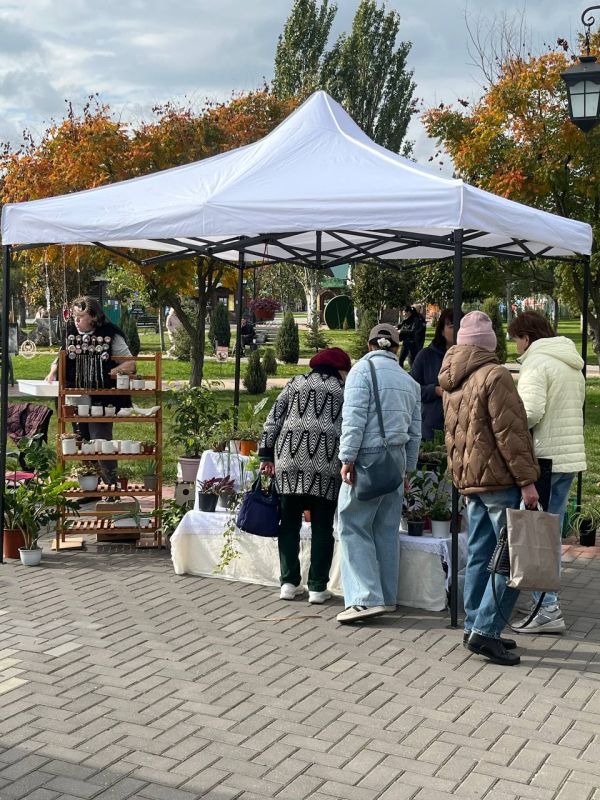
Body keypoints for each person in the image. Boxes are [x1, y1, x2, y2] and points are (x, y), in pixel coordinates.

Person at [439, 310, 540, 666]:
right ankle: (486, 630)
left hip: (470, 482)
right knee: (513, 558)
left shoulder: (451, 377)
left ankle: (476, 626)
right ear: (489, 343)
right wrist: (527, 482)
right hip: (499, 479)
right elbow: (510, 434)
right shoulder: (495, 374)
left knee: (481, 554)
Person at [336, 324, 421, 624]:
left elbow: (354, 419)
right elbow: (415, 432)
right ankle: (387, 596)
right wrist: (408, 470)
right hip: (396, 459)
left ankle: (363, 599)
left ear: (371, 345)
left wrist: (347, 458)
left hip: (367, 458)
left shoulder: (360, 372)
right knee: (386, 529)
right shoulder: (409, 382)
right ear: (396, 348)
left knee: (352, 524)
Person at [508, 311, 586, 634]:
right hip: (568, 458)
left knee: (540, 537)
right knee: (549, 533)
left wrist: (507, 421)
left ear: (527, 337)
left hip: (545, 459)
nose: (515, 347)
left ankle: (547, 607)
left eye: (515, 339)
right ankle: (545, 602)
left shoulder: (537, 363)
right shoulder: (570, 362)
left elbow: (530, 411)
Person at [259, 347, 352, 604]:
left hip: (289, 463)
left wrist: (266, 455)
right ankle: (317, 588)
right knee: (323, 527)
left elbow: (272, 419)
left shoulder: (295, 383)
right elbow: (350, 426)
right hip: (326, 466)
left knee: (288, 524)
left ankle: (288, 583)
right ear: (341, 369)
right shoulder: (343, 390)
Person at [45, 296, 136, 485]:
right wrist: (53, 371)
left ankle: (111, 485)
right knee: (81, 442)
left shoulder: (111, 334)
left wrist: (113, 370)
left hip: (101, 399)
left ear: (94, 317)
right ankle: (89, 486)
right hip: (75, 397)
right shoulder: (71, 332)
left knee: (100, 440)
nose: (76, 320)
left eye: (81, 316)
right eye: (75, 316)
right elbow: (61, 356)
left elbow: (130, 363)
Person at [410, 308, 455, 441]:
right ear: (441, 330)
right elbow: (412, 390)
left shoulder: (470, 357)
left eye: (460, 326)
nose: (457, 330)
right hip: (432, 428)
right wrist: (435, 390)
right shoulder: (425, 356)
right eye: (452, 326)